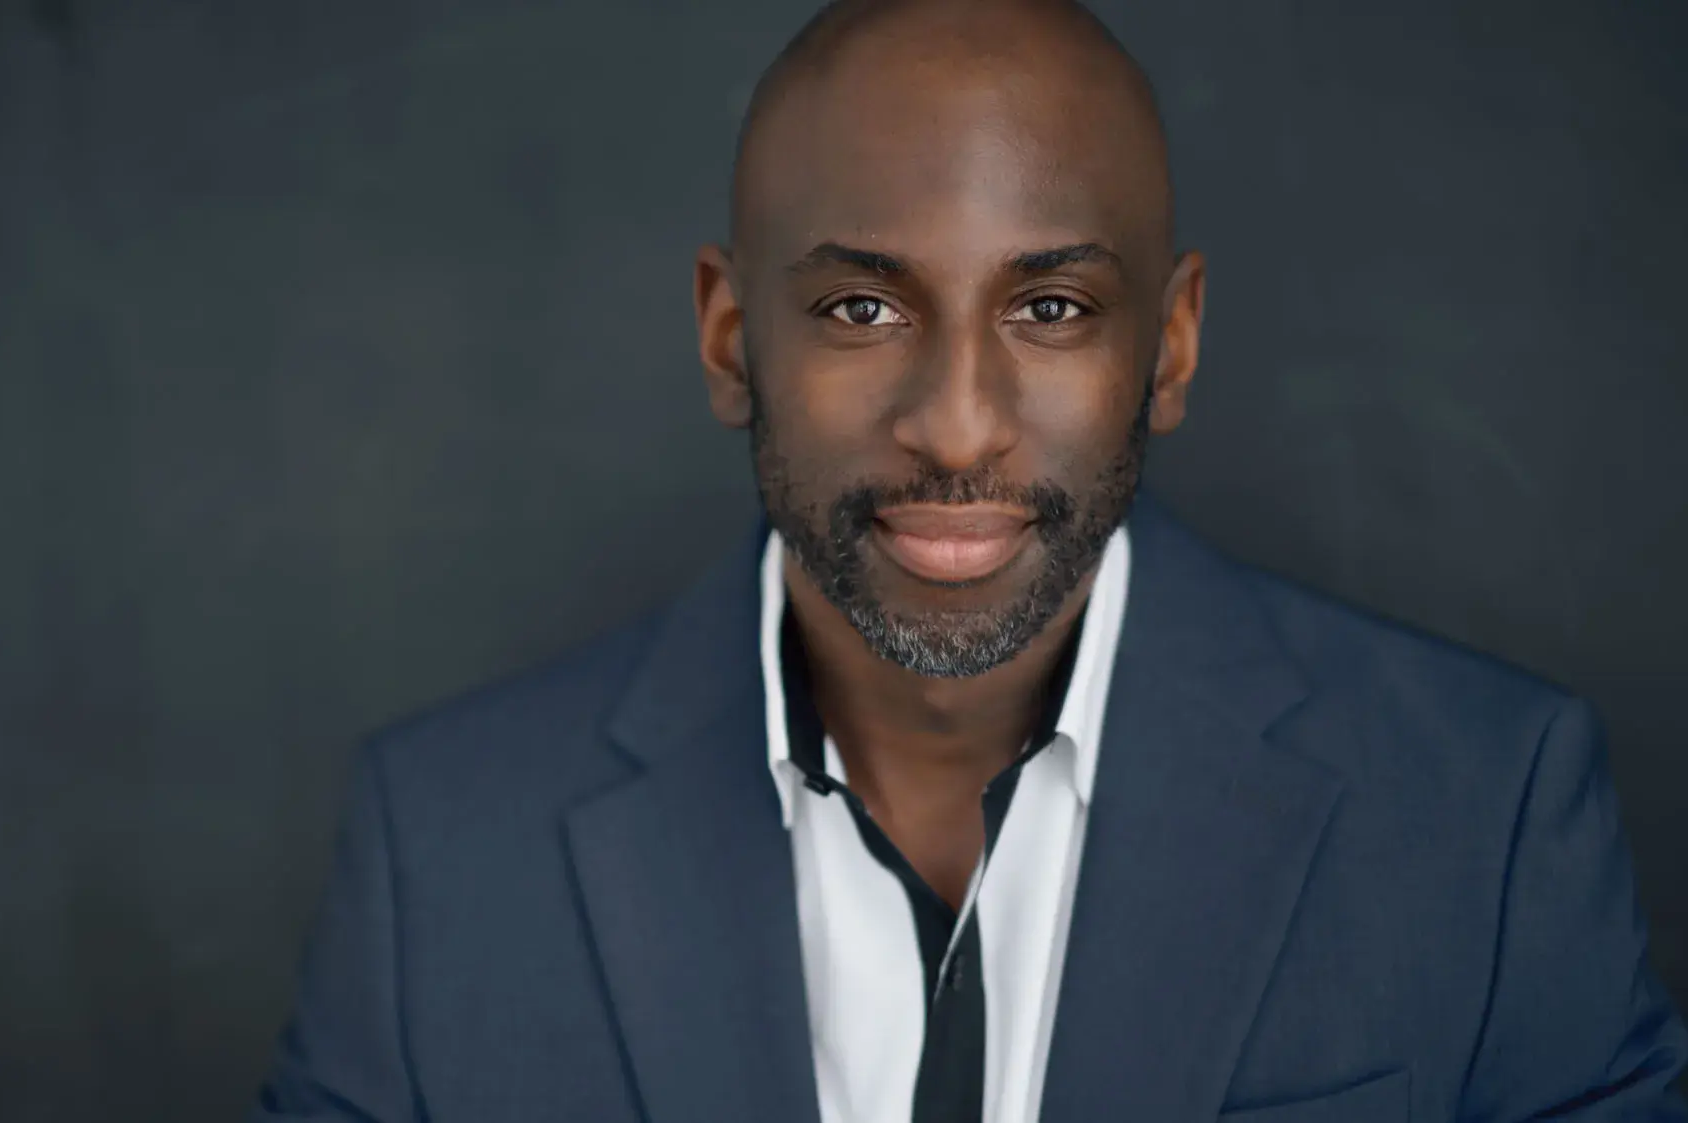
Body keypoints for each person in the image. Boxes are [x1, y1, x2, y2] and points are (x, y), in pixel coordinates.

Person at [250, 0, 1688, 1119]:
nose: (955, 424)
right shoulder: (442, 854)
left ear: (1170, 346)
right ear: (728, 335)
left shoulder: (1487, 820)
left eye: (1051, 304)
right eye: (864, 306)